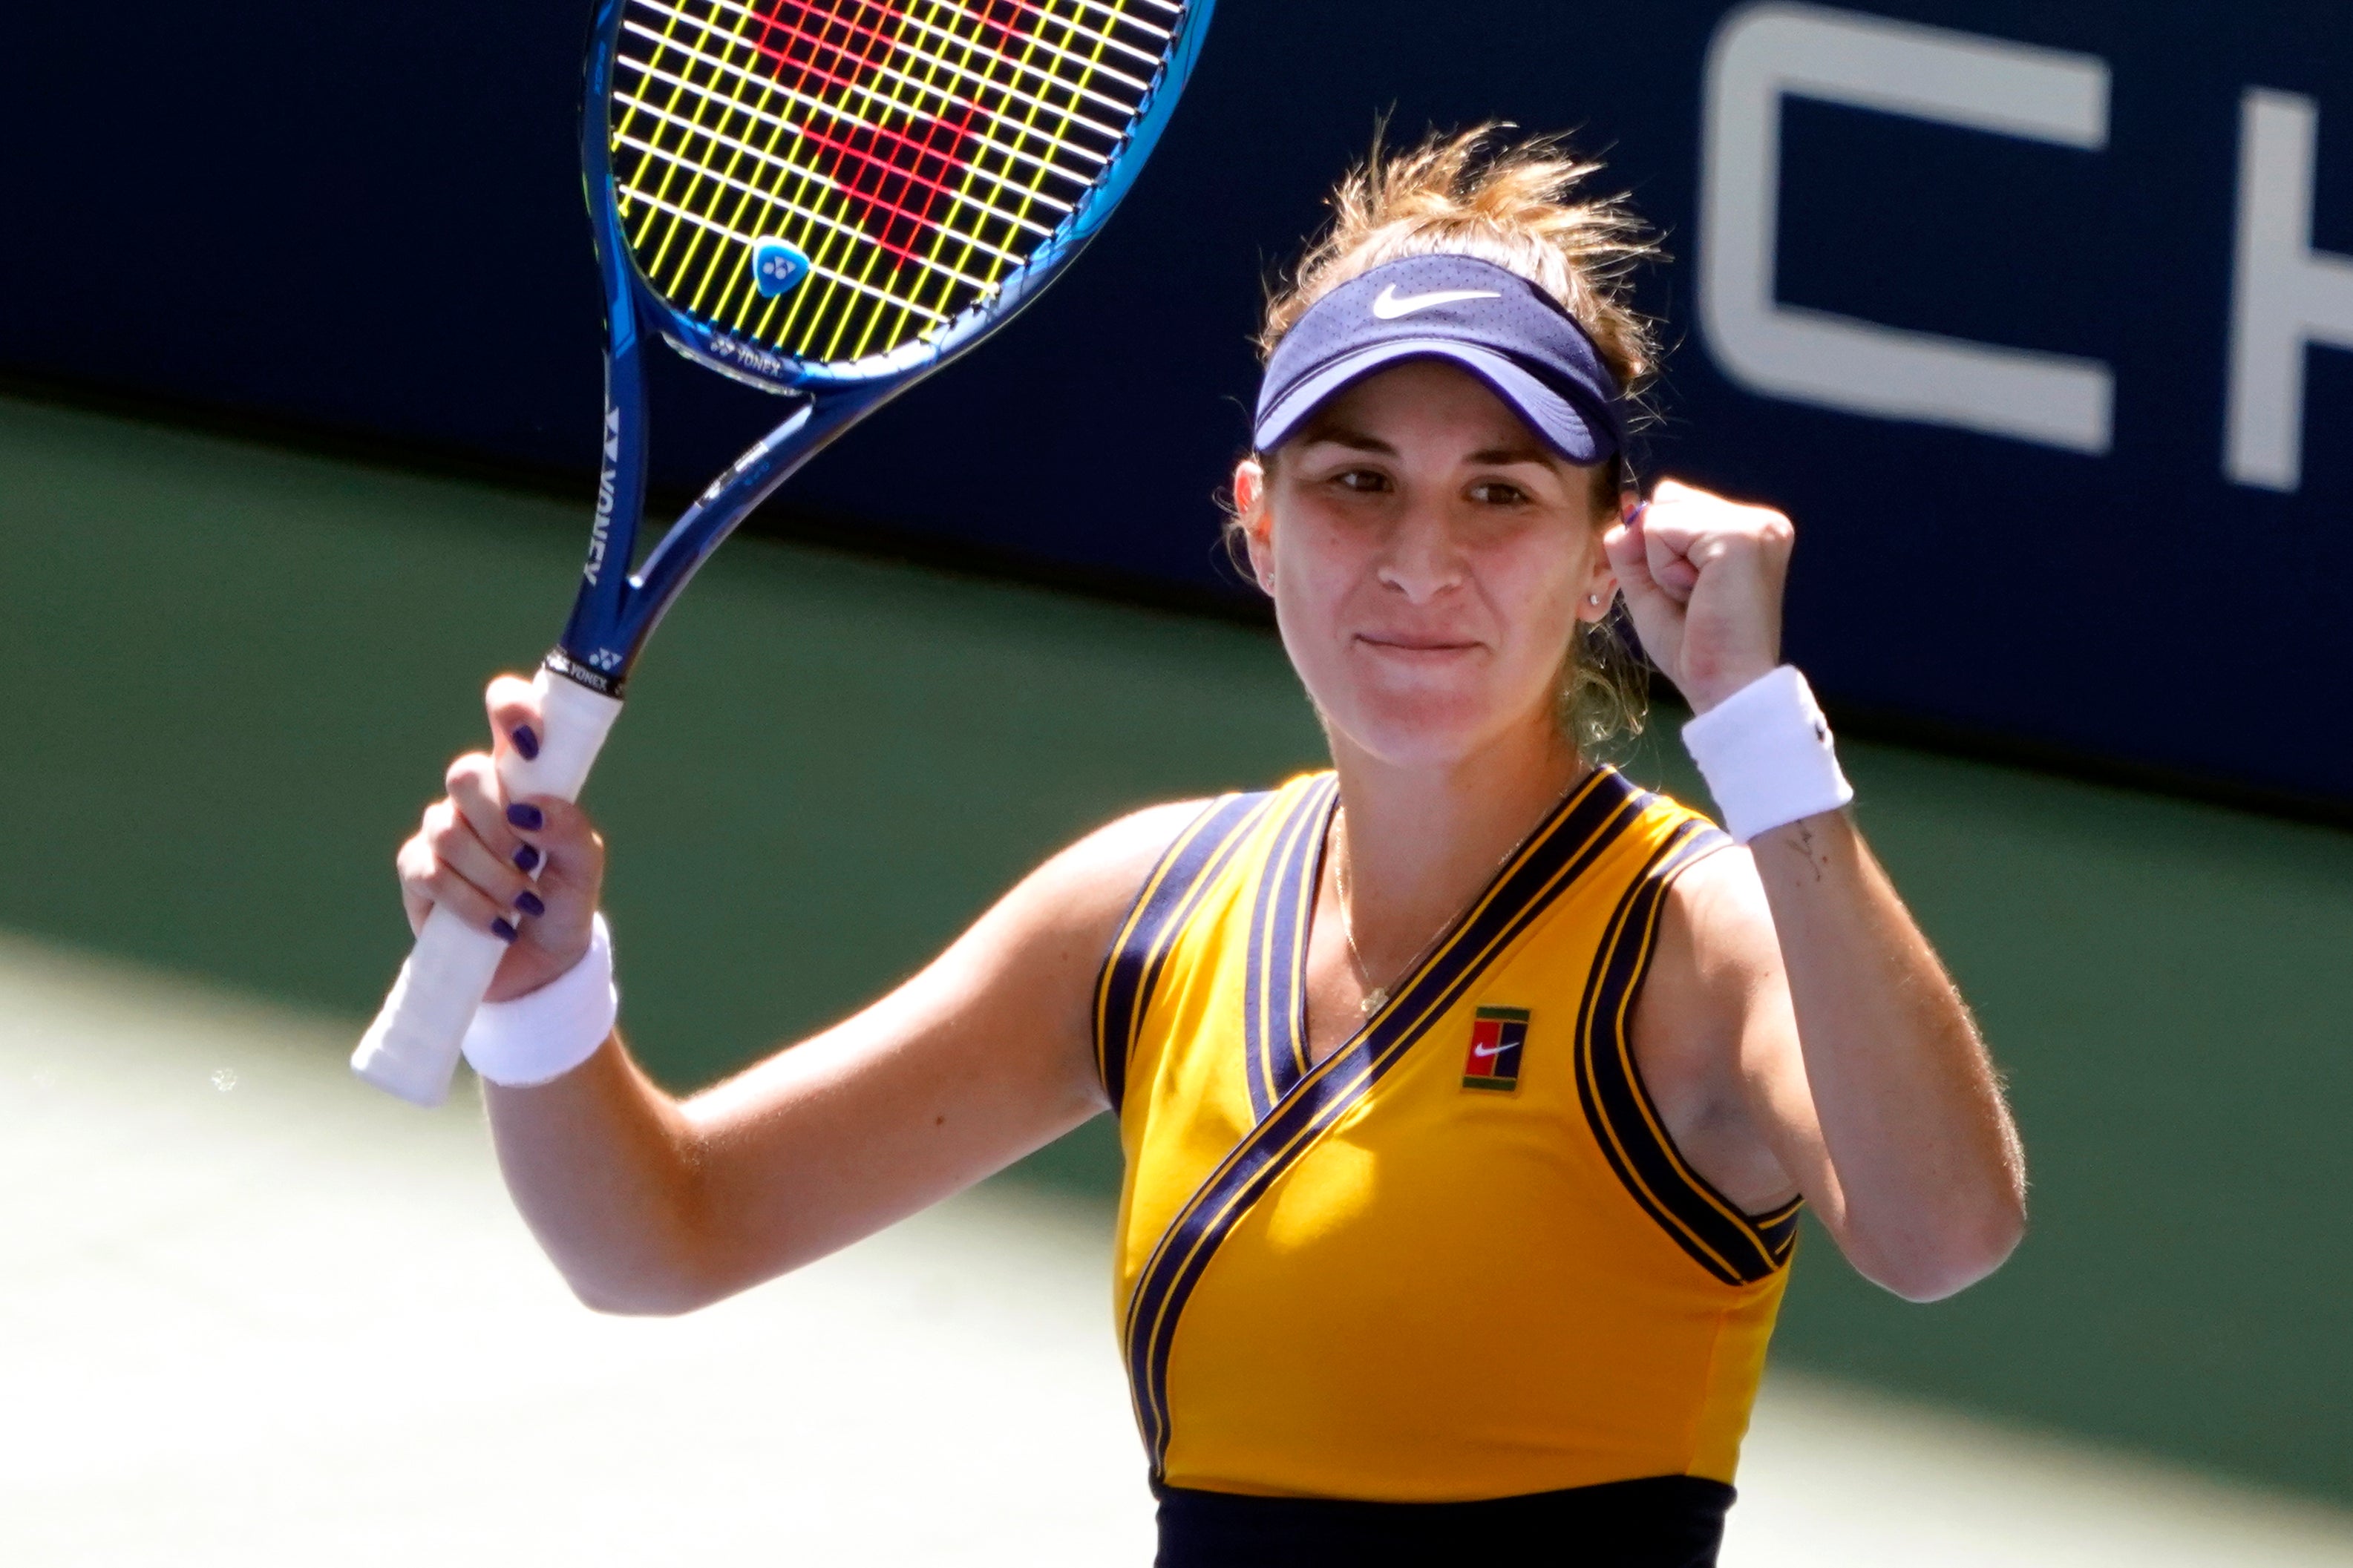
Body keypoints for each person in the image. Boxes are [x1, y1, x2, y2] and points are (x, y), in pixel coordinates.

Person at [395, 128, 2026, 1567]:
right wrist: (544, 997)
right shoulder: (1148, 912)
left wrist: (1759, 735)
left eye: (1500, 495)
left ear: (1606, 556)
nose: (1417, 561)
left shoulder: (1693, 937)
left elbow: (1943, 1232)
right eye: (1355, 482)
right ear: (1258, 522)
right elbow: (661, 1231)